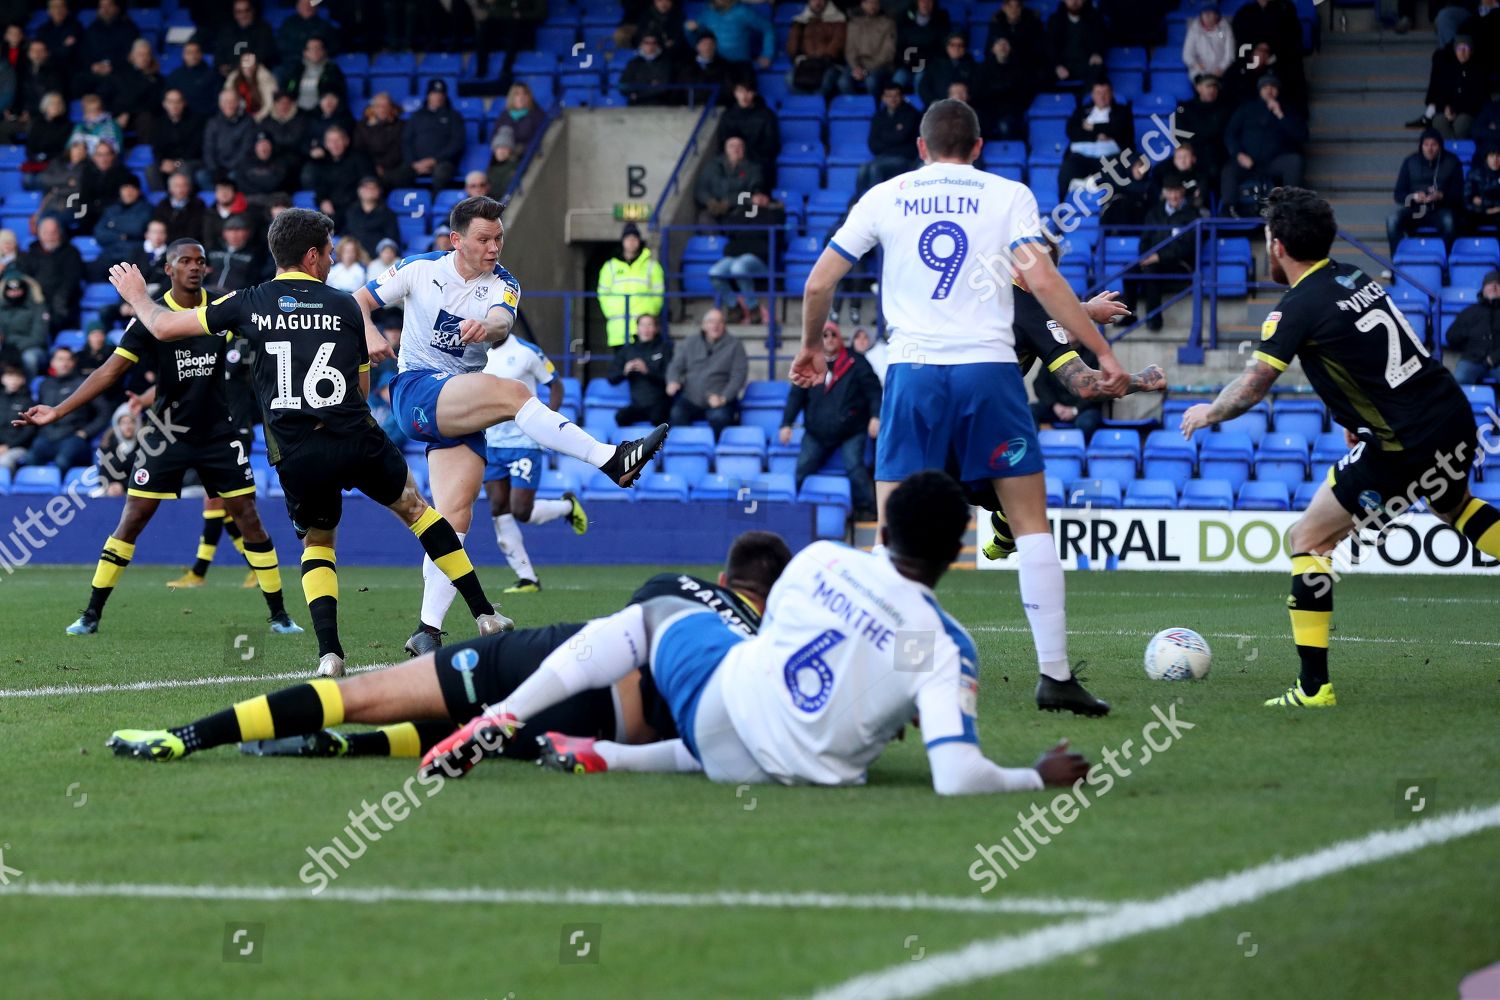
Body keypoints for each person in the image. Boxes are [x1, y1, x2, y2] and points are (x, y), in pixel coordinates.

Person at [422, 472, 1094, 795]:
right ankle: (612, 756)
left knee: (656, 616)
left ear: (883, 533)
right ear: (957, 551)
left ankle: (505, 717)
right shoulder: (942, 649)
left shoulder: (823, 559)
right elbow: (954, 775)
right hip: (793, 772)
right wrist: (1036, 777)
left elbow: (777, 647)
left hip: (721, 718)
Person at [793, 98, 1130, 717]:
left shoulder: (885, 194)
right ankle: (1054, 676)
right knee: (1030, 525)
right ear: (978, 148)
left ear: (920, 148)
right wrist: (1101, 350)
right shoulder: (1008, 195)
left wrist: (812, 347)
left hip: (914, 371)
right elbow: (1046, 283)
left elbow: (818, 283)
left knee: (894, 531)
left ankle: (908, 683)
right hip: (990, 371)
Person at [105, 211, 507, 677]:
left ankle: (330, 655)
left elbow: (162, 327)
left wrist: (136, 295)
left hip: (298, 450)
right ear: (312, 255)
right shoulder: (344, 306)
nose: (334, 260)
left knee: (318, 543)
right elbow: (357, 385)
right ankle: (484, 614)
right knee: (418, 512)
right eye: (331, 252)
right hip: (356, 438)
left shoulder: (248, 301)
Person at [1180, 187, 1500, 707]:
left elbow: (1257, 383)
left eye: (1267, 236)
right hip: (1452, 414)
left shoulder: (1295, 307)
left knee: (1308, 541)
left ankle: (1313, 688)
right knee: (1456, 506)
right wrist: (1352, 417)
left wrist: (1209, 411)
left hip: (1405, 444)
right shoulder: (1354, 275)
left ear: (1278, 245)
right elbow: (1365, 353)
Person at [104, 531, 790, 765]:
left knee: (363, 695)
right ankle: (345, 748)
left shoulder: (676, 585)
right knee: (482, 734)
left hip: (549, 661)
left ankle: (185, 737)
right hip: (603, 730)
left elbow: (629, 644)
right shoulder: (762, 646)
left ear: (726, 578)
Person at [354, 198, 669, 656]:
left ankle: (428, 629)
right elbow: (357, 301)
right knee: (515, 394)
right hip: (418, 390)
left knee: (454, 519)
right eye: (484, 238)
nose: (494, 246)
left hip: (460, 405)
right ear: (456, 240)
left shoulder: (504, 283)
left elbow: (502, 321)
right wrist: (367, 330)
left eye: (499, 237)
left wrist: (488, 325)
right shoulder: (419, 268)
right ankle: (611, 459)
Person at [15, 239, 302, 637]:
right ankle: (92, 613)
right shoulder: (150, 317)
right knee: (132, 518)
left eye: (201, 261)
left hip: (219, 433)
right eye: (185, 261)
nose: (195, 267)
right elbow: (109, 372)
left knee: (249, 516)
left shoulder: (221, 308)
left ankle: (280, 615)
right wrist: (59, 410)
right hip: (167, 435)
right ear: (169, 269)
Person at [480, 330, 588, 594]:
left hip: (524, 442)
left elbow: (555, 383)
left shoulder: (527, 352)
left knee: (521, 510)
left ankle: (566, 506)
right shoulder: (474, 353)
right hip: (491, 443)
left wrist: (546, 420)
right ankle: (527, 577)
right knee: (497, 507)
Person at [779, 324, 881, 518]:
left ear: (840, 337)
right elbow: (796, 396)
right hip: (817, 433)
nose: (829, 338)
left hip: (852, 430)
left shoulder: (856, 362)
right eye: (824, 335)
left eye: (833, 334)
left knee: (855, 468)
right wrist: (786, 423)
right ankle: (793, 511)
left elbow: (874, 391)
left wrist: (876, 416)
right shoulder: (809, 363)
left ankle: (866, 511)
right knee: (802, 468)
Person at [1220, 74, 1308, 216]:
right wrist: (1238, 154)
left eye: (1273, 87)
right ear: (1260, 90)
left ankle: (1291, 207)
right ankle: (1228, 209)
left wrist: (1280, 114)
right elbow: (1230, 134)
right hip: (1247, 161)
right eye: (1265, 87)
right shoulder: (1246, 108)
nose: (1269, 90)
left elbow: (1301, 135)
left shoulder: (1287, 109)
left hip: (1273, 161)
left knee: (1294, 162)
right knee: (1229, 170)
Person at [22, 347, 107, 471]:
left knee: (61, 462)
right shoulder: (44, 384)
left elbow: (104, 411)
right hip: (46, 437)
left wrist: (86, 432)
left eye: (68, 359)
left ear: (73, 363)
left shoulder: (84, 384)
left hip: (72, 437)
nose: (65, 363)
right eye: (60, 359)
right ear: (52, 362)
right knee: (29, 459)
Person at [666, 307, 747, 437]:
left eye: (719, 322)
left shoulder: (735, 345)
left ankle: (714, 453)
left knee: (720, 418)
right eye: (711, 322)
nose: (715, 326)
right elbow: (675, 366)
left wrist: (723, 398)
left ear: (724, 325)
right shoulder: (690, 342)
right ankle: (689, 451)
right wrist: (672, 380)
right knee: (676, 414)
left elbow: (738, 376)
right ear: (704, 325)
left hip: (719, 399)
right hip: (691, 398)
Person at [1134, 176, 1199, 329]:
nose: (1174, 196)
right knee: (1128, 271)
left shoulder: (1192, 214)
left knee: (1150, 270)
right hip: (1153, 261)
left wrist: (1159, 256)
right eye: (1170, 191)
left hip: (1179, 263)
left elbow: (1188, 246)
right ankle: (1130, 314)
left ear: (1182, 191)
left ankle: (1154, 320)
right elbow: (1144, 239)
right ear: (1164, 193)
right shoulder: (1154, 212)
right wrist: (1145, 256)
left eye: (1176, 191)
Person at [710, 189, 782, 325]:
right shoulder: (743, 213)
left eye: (763, 196)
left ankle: (753, 307)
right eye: (756, 196)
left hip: (759, 260)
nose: (759, 199)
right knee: (715, 272)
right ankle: (733, 306)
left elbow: (768, 232)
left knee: (739, 268)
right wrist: (749, 209)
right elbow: (731, 229)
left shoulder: (775, 213)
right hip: (735, 256)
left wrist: (760, 212)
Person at [1387, 128, 1463, 255]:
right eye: (1426, 145)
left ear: (1440, 146)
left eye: (1433, 144)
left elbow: (1459, 194)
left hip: (1440, 210)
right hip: (1415, 210)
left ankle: (1447, 263)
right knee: (1392, 220)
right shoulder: (1410, 162)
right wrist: (1414, 197)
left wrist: (1441, 196)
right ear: (1421, 146)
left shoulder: (1452, 162)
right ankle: (1396, 263)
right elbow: (1398, 194)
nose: (1430, 148)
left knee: (1449, 221)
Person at [1057, 80, 1134, 202]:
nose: (1102, 97)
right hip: (1081, 156)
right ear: (1092, 95)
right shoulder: (1082, 111)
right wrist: (1099, 134)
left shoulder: (1122, 111)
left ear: (1111, 93)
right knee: (1067, 168)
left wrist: (1092, 127)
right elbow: (1072, 132)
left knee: (1115, 169)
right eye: (1098, 93)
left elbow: (1118, 129)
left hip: (1109, 157)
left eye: (1105, 93)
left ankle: (1112, 206)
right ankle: (1062, 206)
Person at [598, 222, 666, 349]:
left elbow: (659, 294)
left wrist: (649, 313)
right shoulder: (610, 267)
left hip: (644, 330)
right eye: (628, 239)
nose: (631, 242)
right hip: (618, 330)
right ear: (623, 241)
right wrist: (613, 311)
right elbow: (603, 294)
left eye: (634, 239)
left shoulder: (652, 266)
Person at [391, 79, 466, 193]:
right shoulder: (416, 116)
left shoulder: (454, 116)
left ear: (445, 96)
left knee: (442, 174)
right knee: (398, 176)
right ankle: (407, 205)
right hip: (416, 163)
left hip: (443, 162)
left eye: (441, 94)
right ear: (428, 95)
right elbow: (407, 141)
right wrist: (414, 163)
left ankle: (435, 205)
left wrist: (434, 160)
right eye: (434, 93)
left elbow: (457, 143)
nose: (437, 97)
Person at [608, 314, 673, 426]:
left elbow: (670, 379)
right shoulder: (628, 350)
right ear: (637, 328)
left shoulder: (664, 348)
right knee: (620, 417)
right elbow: (612, 378)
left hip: (659, 404)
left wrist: (647, 371)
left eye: (649, 325)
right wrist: (624, 372)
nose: (646, 329)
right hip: (637, 404)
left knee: (659, 418)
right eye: (642, 325)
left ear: (656, 328)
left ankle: (658, 444)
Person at [21, 216, 84, 332]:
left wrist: (59, 301)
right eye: (46, 233)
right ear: (39, 233)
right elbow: (26, 279)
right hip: (36, 301)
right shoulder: (30, 254)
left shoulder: (71, 253)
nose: (50, 237)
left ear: (59, 233)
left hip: (64, 305)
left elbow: (71, 281)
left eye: (53, 233)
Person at [858, 82, 920, 193]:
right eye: (889, 96)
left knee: (875, 168)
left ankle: (877, 205)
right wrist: (894, 137)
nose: (893, 99)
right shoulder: (878, 116)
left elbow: (903, 138)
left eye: (896, 95)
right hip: (883, 157)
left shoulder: (911, 114)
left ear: (902, 97)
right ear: (883, 98)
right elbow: (872, 144)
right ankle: (857, 203)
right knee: (862, 169)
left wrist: (885, 138)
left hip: (905, 159)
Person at [714, 81, 779, 183]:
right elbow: (722, 143)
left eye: (748, 91)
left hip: (758, 163)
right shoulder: (727, 116)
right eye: (740, 91)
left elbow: (771, 145)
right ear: (735, 93)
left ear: (754, 93)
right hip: (732, 163)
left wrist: (746, 154)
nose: (744, 96)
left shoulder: (766, 115)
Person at [301, 125, 372, 219]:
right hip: (332, 211)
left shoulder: (359, 158)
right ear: (326, 144)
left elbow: (367, 184)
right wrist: (323, 200)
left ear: (346, 141)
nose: (334, 144)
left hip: (354, 209)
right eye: (330, 141)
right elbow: (320, 187)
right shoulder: (323, 162)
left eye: (338, 140)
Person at [485, 82, 542, 195]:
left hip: (524, 160)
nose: (521, 97)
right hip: (501, 160)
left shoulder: (538, 116)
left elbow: (540, 141)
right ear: (512, 97)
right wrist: (499, 149)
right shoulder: (504, 115)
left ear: (529, 97)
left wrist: (516, 150)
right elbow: (495, 137)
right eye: (517, 94)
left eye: (524, 94)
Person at [1446, 269, 1500, 384]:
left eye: (1498, 285)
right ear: (1483, 289)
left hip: (1498, 361)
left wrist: (1494, 357)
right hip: (1472, 361)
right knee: (1459, 380)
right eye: (1490, 284)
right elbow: (1451, 337)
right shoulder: (1469, 312)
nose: (1494, 287)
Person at [694, 135, 762, 227]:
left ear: (744, 149)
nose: (736, 149)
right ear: (725, 149)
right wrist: (710, 202)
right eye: (732, 146)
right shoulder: (713, 166)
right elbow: (701, 189)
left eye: (740, 146)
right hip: (714, 208)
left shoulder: (753, 169)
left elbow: (753, 193)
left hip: (740, 209)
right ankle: (716, 241)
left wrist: (729, 202)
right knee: (704, 218)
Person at [685, 0, 774, 69]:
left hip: (740, 66)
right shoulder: (707, 14)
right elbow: (696, 42)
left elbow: (768, 28)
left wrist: (767, 54)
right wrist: (688, 31)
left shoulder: (742, 12)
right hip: (716, 67)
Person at [147, 89, 205, 192]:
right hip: (168, 162)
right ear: (164, 104)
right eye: (170, 102)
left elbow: (194, 149)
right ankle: (161, 200)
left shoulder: (196, 121)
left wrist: (177, 163)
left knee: (184, 168)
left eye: (178, 102)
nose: (174, 105)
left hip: (189, 160)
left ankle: (186, 199)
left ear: (184, 103)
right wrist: (162, 162)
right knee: (151, 170)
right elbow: (156, 149)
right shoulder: (158, 123)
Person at [199, 90, 256, 193]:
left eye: (232, 101)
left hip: (236, 167)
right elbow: (208, 148)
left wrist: (228, 167)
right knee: (201, 176)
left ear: (238, 103)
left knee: (233, 176)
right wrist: (214, 168)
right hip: (216, 167)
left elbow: (245, 150)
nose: (229, 105)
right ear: (220, 104)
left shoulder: (248, 122)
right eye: (225, 102)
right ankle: (217, 203)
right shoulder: (213, 122)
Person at [786, 0, 845, 100]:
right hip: (806, 63)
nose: (817, 2)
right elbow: (792, 48)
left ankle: (816, 108)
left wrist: (822, 57)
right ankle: (807, 109)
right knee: (789, 79)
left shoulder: (838, 20)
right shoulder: (800, 21)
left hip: (829, 64)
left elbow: (837, 44)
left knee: (823, 84)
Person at [206, 0, 279, 76]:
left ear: (253, 11)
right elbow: (218, 54)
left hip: (257, 73)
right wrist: (221, 66)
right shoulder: (226, 31)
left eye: (247, 10)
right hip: (230, 74)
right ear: (234, 14)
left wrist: (244, 67)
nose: (244, 15)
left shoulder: (263, 29)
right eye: (239, 12)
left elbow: (265, 55)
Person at [840, 0, 896, 96]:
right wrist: (856, 67)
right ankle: (855, 108)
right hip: (858, 65)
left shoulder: (888, 24)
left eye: (875, 3)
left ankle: (876, 108)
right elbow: (850, 50)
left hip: (880, 65)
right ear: (862, 4)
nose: (872, 6)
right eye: (869, 2)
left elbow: (888, 52)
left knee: (871, 82)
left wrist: (867, 69)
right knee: (843, 82)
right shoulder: (854, 24)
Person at [1046, 0, 1107, 88]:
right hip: (1062, 65)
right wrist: (1057, 66)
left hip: (1085, 64)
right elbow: (1049, 46)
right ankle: (1054, 101)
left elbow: (1101, 40)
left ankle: (1086, 100)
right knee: (1042, 72)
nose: (1074, 1)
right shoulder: (1055, 20)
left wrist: (1097, 53)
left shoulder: (1094, 19)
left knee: (1098, 69)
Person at [279, 36, 346, 114]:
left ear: (324, 51)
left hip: (321, 113)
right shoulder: (297, 70)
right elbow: (289, 88)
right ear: (305, 52)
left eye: (318, 48)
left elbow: (336, 91)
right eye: (311, 48)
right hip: (297, 113)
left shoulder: (332, 70)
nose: (315, 51)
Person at [0, 276, 50, 376]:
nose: (14, 294)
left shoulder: (37, 307)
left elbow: (38, 338)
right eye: (11, 291)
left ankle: (29, 388)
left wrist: (16, 347)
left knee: (29, 358)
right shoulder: (1, 308)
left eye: (18, 290)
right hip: (6, 347)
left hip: (31, 348)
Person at [339, 176, 400, 255]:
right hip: (353, 257)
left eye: (373, 188)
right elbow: (345, 234)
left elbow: (391, 240)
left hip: (377, 258)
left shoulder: (388, 214)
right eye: (366, 187)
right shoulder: (351, 212)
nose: (370, 191)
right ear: (359, 190)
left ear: (379, 191)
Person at [353, 91, 404, 185]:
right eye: (378, 106)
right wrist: (374, 166)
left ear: (391, 107)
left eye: (385, 106)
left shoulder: (400, 126)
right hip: (368, 168)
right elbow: (359, 149)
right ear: (372, 108)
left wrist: (382, 167)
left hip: (392, 168)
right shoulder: (362, 126)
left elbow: (397, 150)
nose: (382, 109)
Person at [164, 39, 219, 119]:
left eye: (196, 52)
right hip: (181, 119)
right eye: (189, 53)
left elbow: (217, 99)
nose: (193, 56)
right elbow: (167, 98)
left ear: (201, 54)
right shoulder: (175, 75)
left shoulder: (212, 75)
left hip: (205, 118)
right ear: (183, 55)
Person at [619, 32, 678, 107]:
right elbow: (623, 86)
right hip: (635, 107)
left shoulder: (665, 63)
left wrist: (637, 94)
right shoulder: (633, 63)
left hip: (659, 106)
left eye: (653, 42)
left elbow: (663, 88)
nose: (650, 45)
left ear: (657, 44)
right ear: (641, 44)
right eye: (647, 42)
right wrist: (650, 85)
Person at [1182, 2, 1235, 83]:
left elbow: (1230, 54)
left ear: (1216, 15)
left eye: (1210, 14)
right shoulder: (1194, 29)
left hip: (1221, 70)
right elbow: (1187, 54)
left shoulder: (1225, 28)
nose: (1207, 17)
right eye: (1205, 14)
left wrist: (1221, 68)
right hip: (1200, 71)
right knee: (1204, 84)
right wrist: (1196, 64)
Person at [276, 0, 336, 72]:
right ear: (297, 7)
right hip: (291, 63)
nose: (307, 7)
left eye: (309, 4)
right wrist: (304, 54)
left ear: (316, 7)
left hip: (319, 63)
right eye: (303, 4)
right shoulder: (288, 24)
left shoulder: (324, 26)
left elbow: (333, 46)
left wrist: (318, 53)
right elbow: (282, 45)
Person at [150, 171, 208, 243]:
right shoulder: (163, 205)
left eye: (184, 186)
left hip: (189, 245)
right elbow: (159, 227)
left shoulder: (198, 205)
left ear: (189, 187)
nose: (180, 190)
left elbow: (195, 231)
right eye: (176, 186)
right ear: (170, 188)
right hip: (167, 245)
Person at [223, 49, 278, 122]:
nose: (248, 66)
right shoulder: (234, 78)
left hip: (260, 119)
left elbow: (269, 104)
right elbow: (226, 99)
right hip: (238, 118)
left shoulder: (265, 78)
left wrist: (256, 119)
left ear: (256, 64)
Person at [0, 363, 34, 473]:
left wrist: (8, 446)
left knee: (4, 462)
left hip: (18, 447)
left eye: (17, 377)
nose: (13, 380)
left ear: (23, 380)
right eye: (10, 376)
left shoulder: (28, 402)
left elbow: (29, 431)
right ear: (3, 379)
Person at [1466, 144, 1500, 230]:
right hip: (1478, 213)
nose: (1495, 160)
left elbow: (1477, 201)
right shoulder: (1474, 174)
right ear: (1486, 158)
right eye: (1492, 156)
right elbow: (1467, 201)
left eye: (1498, 156)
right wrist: (1486, 210)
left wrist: (1483, 202)